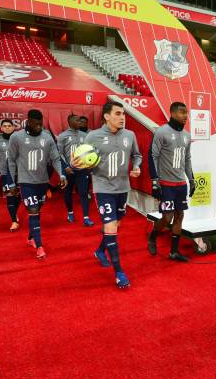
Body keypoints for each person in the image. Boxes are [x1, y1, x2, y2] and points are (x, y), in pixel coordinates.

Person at [81, 101, 141, 289]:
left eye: (123, 114)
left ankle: (100, 250)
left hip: (123, 188)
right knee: (110, 226)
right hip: (103, 187)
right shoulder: (93, 136)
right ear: (106, 116)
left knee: (116, 225)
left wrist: (137, 166)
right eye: (117, 114)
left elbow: (136, 155)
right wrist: (82, 164)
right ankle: (119, 272)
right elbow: (83, 159)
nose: (122, 117)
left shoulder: (130, 135)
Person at [8, 109, 66, 259]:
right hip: (26, 182)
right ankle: (40, 247)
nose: (39, 126)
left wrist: (61, 174)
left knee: (37, 212)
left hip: (42, 182)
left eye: (41, 123)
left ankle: (30, 238)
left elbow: (55, 159)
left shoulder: (47, 138)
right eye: (36, 123)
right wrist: (12, 183)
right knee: (33, 210)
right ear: (28, 121)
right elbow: (11, 161)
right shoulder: (16, 137)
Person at [147, 102, 195, 262]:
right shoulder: (161, 132)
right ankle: (153, 236)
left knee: (179, 215)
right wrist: (155, 181)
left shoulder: (187, 135)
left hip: (180, 184)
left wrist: (191, 179)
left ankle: (174, 252)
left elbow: (187, 159)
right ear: (172, 113)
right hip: (166, 184)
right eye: (182, 112)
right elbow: (152, 156)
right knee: (167, 217)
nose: (185, 116)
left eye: (186, 113)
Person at [57, 114, 93, 226]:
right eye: (77, 121)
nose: (80, 122)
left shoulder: (85, 135)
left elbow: (89, 151)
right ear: (70, 122)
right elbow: (59, 153)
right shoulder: (62, 136)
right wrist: (66, 167)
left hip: (82, 169)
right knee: (68, 192)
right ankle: (70, 213)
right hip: (68, 170)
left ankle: (86, 218)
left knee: (83, 193)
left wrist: (88, 165)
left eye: (80, 121)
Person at [0, 119, 20, 231]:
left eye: (9, 126)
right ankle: (13, 221)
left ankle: (14, 213)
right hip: (6, 173)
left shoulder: (18, 141)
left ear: (13, 128)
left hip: (20, 173)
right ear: (1, 128)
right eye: (5, 126)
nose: (7, 128)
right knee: (10, 197)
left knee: (18, 197)